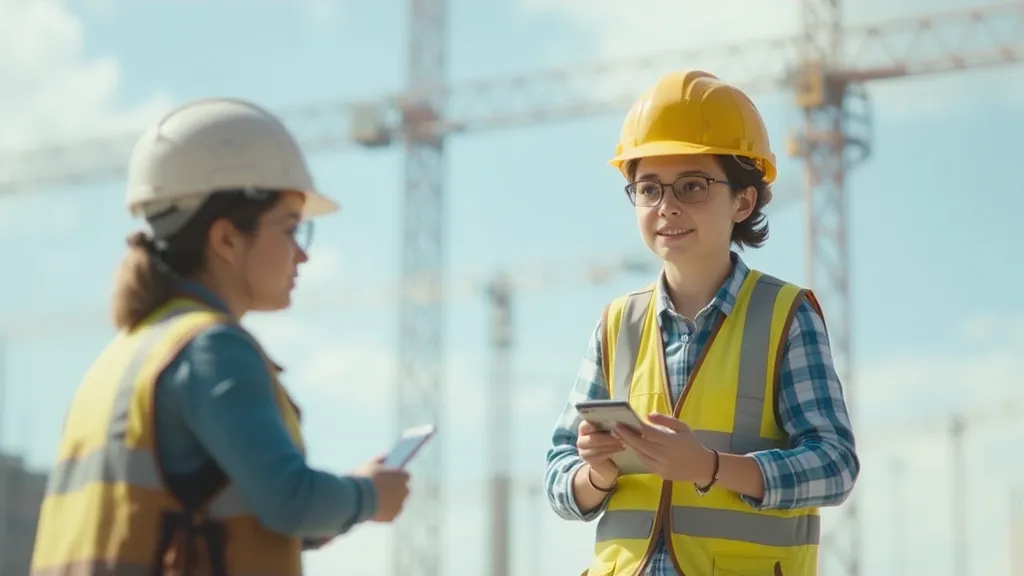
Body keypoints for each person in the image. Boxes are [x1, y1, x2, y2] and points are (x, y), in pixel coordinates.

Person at [30, 98, 411, 576]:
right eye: (292, 228)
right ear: (227, 239)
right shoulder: (212, 348)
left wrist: (343, 500)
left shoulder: (123, 356)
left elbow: (242, 504)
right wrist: (371, 496)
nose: (303, 255)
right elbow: (289, 500)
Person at [544, 70, 860, 576]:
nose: (666, 205)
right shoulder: (617, 323)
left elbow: (835, 465)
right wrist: (597, 474)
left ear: (743, 199)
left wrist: (711, 468)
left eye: (692, 186)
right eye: (648, 188)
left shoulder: (786, 316)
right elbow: (560, 476)